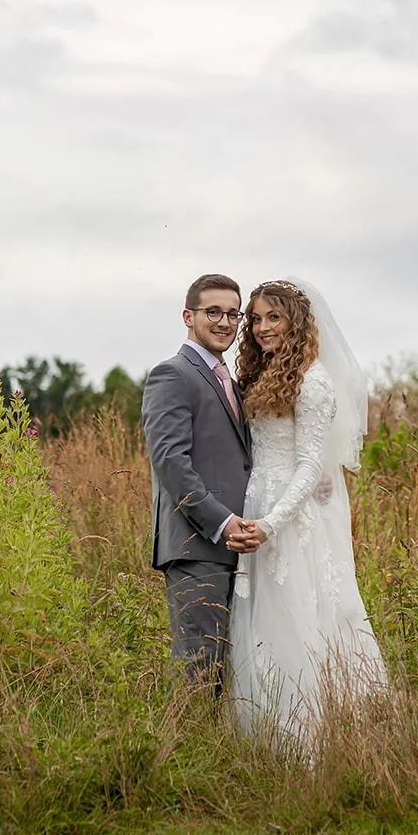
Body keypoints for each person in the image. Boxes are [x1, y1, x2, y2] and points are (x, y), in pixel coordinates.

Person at [227, 278, 387, 742]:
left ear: (295, 322)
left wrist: (270, 524)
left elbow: (311, 464)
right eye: (256, 319)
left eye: (273, 317)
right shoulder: (263, 373)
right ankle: (261, 734)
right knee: (260, 621)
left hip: (287, 517)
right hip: (256, 503)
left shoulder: (312, 382)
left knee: (293, 619)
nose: (262, 328)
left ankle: (307, 738)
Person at [142, 273, 261, 697]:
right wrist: (223, 522)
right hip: (198, 544)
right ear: (188, 316)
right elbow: (171, 462)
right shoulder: (172, 375)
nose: (225, 322)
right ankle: (186, 740)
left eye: (233, 314)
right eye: (213, 312)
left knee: (233, 672)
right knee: (199, 668)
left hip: (241, 546)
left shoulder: (233, 382)